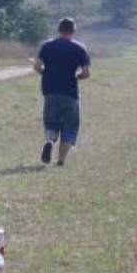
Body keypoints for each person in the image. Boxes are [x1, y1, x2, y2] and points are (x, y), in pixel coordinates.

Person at [33, 17, 91, 166]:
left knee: (51, 123)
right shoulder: (80, 48)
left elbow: (37, 66)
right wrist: (76, 77)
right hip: (70, 93)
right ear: (73, 31)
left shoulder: (47, 46)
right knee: (69, 126)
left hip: (50, 91)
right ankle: (60, 161)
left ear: (58, 30)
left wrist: (46, 73)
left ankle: (49, 142)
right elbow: (86, 73)